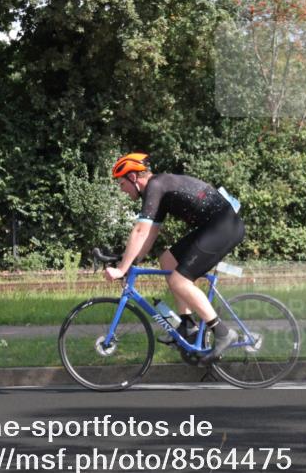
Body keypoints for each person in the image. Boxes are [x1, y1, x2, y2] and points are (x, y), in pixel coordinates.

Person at [105, 152, 245, 365]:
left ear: (133, 177)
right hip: (214, 226)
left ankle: (223, 333)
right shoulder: (158, 189)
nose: (121, 189)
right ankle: (188, 325)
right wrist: (132, 262)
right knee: (168, 260)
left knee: (179, 281)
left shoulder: (155, 186)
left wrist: (121, 269)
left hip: (224, 227)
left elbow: (140, 231)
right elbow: (150, 234)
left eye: (122, 183)